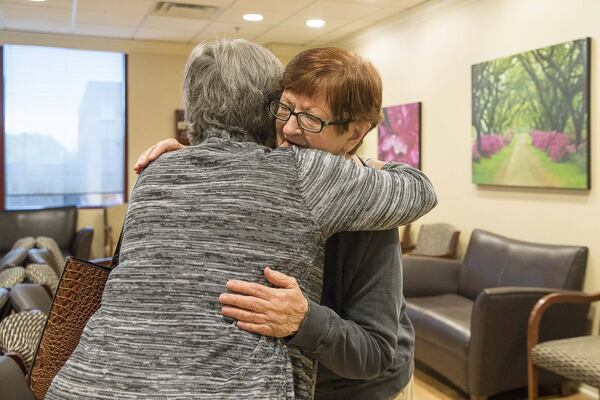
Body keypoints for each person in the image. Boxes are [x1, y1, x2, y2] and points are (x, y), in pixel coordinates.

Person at [134, 47, 428, 399]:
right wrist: (195, 158)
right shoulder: (271, 173)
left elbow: (376, 353)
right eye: (285, 108)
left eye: (311, 120)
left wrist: (304, 320)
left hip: (357, 390)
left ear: (354, 134)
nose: (288, 128)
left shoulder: (369, 211)